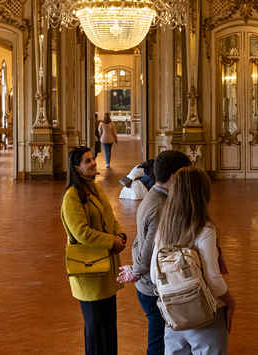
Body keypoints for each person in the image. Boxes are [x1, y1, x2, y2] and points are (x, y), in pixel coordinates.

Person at [152, 167, 236, 354]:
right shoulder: (204, 229)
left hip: (174, 315)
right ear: (202, 194)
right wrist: (231, 302)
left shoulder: (163, 228)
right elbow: (213, 279)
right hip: (206, 313)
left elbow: (154, 274)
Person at [119, 150, 193, 355]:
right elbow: (148, 251)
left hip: (148, 284)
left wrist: (137, 266)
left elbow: (137, 242)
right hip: (153, 288)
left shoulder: (152, 196)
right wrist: (137, 269)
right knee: (158, 346)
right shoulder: (161, 207)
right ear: (173, 177)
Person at [62, 146, 127, 355]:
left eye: (93, 159)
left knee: (108, 326)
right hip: (90, 272)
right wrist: (111, 241)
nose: (93, 163)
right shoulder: (72, 197)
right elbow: (81, 233)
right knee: (96, 329)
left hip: (105, 270)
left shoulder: (95, 188)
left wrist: (120, 235)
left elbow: (110, 215)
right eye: (87, 161)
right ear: (76, 168)